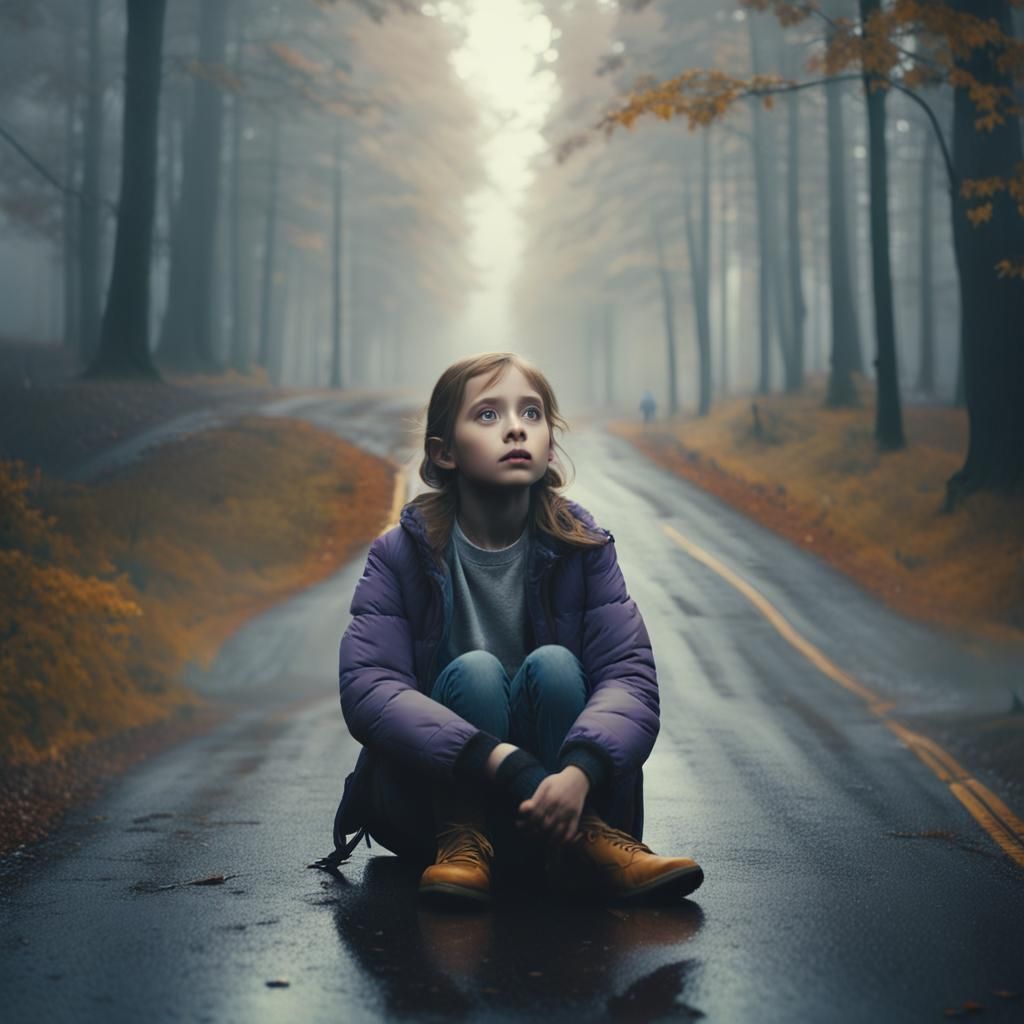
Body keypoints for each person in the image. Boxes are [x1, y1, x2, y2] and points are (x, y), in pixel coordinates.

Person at [329, 352, 704, 908]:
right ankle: (465, 842)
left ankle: (590, 837)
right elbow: (370, 689)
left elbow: (630, 679)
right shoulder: (400, 554)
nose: (514, 427)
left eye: (531, 413)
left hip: (565, 798)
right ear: (444, 452)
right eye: (487, 415)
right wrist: (498, 760)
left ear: (549, 445)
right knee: (475, 671)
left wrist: (580, 773)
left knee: (555, 665)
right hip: (439, 805)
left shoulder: (583, 547)